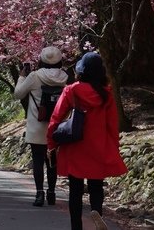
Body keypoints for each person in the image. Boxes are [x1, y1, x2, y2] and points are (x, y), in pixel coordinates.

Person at [46, 52, 126, 230]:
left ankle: (77, 226)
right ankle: (97, 213)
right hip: (98, 146)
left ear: (81, 71)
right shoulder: (107, 94)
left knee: (75, 190)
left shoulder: (72, 90)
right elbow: (112, 125)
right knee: (96, 186)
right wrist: (113, 147)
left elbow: (56, 119)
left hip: (75, 146)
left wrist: (51, 144)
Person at [14, 46, 68, 206]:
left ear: (42, 60)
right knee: (52, 159)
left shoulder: (34, 76)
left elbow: (18, 94)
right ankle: (51, 193)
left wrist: (22, 77)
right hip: (56, 124)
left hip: (37, 125)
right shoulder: (65, 77)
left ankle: (39, 194)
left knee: (37, 160)